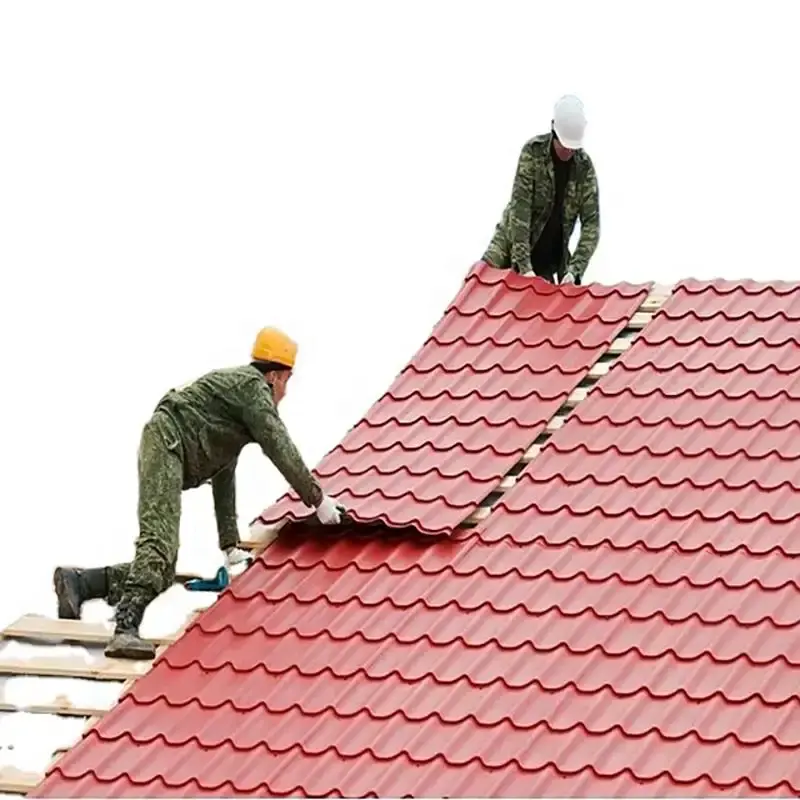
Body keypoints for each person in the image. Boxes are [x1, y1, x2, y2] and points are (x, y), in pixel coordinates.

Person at [52, 326, 345, 661]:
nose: (285, 393)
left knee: (163, 567)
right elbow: (279, 446)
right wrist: (318, 500)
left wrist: (230, 545)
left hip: (168, 445)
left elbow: (224, 474)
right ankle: (125, 629)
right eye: (287, 382)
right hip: (167, 443)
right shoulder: (252, 390)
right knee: (159, 545)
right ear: (275, 376)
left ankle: (82, 583)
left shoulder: (236, 407)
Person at [482, 94, 600, 285]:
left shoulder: (584, 169)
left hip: (547, 261)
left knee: (539, 310)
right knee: (478, 289)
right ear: (554, 131)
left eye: (572, 148)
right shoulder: (533, 153)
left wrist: (574, 270)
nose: (568, 152)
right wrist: (524, 267)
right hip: (510, 246)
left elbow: (591, 225)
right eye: (564, 146)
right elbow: (520, 210)